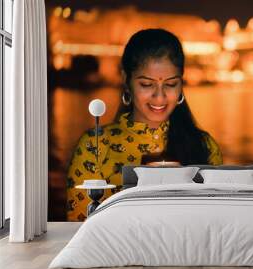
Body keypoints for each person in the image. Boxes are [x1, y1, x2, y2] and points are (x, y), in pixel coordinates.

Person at [66, 29, 223, 221]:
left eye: (171, 84)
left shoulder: (205, 147)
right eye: (147, 85)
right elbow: (81, 227)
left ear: (181, 83)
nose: (160, 96)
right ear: (126, 80)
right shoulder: (95, 146)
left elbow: (215, 222)